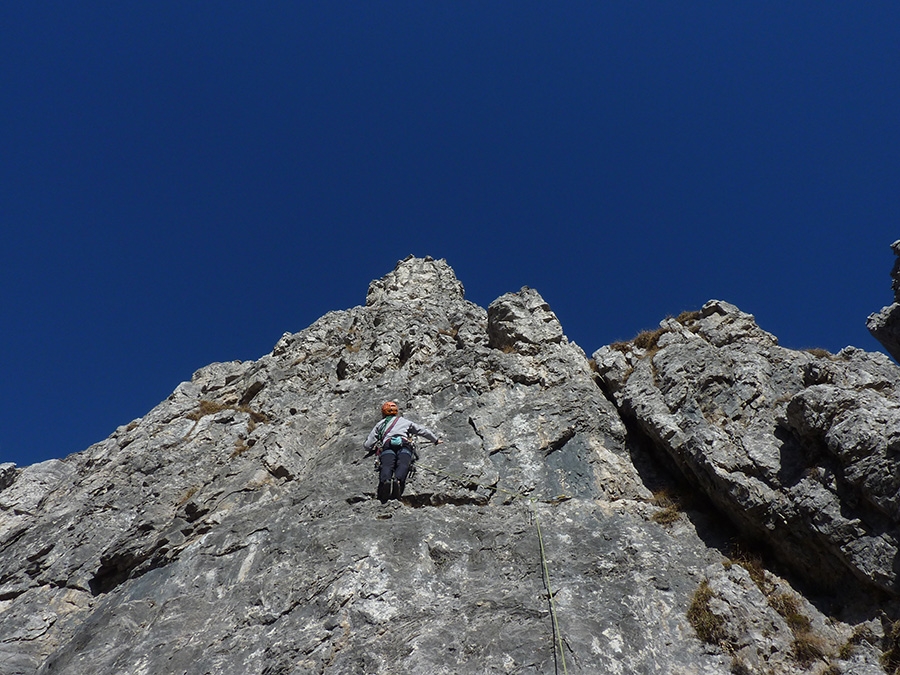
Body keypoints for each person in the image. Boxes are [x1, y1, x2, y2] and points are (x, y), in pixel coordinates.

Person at [364, 401, 442, 502]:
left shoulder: (380, 424)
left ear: (383, 413)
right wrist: (435, 440)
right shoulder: (404, 421)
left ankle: (385, 482)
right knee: (403, 463)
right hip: (404, 445)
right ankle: (398, 481)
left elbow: (368, 444)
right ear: (396, 412)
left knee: (387, 464)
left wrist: (370, 448)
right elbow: (422, 430)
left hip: (388, 446)